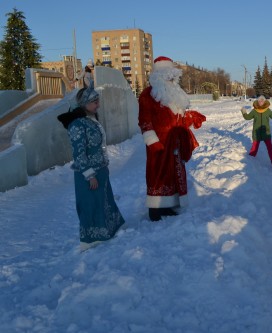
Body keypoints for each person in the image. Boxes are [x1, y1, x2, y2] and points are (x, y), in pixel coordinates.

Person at [57, 81, 125, 251]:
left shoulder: (91, 120)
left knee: (103, 201)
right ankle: (91, 239)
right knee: (90, 204)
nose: (98, 104)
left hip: (100, 169)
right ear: (85, 103)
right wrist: (89, 175)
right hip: (88, 174)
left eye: (98, 101)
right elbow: (79, 153)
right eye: (95, 102)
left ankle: (107, 230)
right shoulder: (77, 124)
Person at [138, 56, 206, 222]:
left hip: (174, 142)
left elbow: (178, 119)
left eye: (173, 76)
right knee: (158, 174)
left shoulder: (175, 94)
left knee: (172, 174)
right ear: (158, 76)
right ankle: (155, 209)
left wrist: (191, 117)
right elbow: (144, 120)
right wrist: (152, 142)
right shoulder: (148, 95)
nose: (171, 79)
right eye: (168, 75)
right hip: (159, 142)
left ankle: (168, 205)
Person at [240, 95, 272, 167]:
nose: (261, 102)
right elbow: (248, 117)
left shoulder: (267, 110)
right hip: (256, 133)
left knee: (270, 148)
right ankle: (250, 163)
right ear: (257, 102)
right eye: (259, 101)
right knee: (254, 149)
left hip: (266, 133)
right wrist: (244, 112)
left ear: (264, 101)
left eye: (262, 101)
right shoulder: (254, 111)